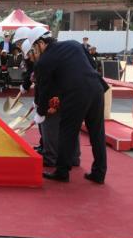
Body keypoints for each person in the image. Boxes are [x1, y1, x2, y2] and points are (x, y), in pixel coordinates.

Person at [30, 28, 108, 184]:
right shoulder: (74, 44)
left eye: (35, 48)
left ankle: (62, 171)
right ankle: (99, 173)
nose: (35, 52)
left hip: (76, 93)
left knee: (67, 131)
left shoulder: (45, 60)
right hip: (96, 88)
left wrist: (41, 112)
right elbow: (92, 64)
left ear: (41, 43)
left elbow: (44, 89)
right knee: (97, 132)